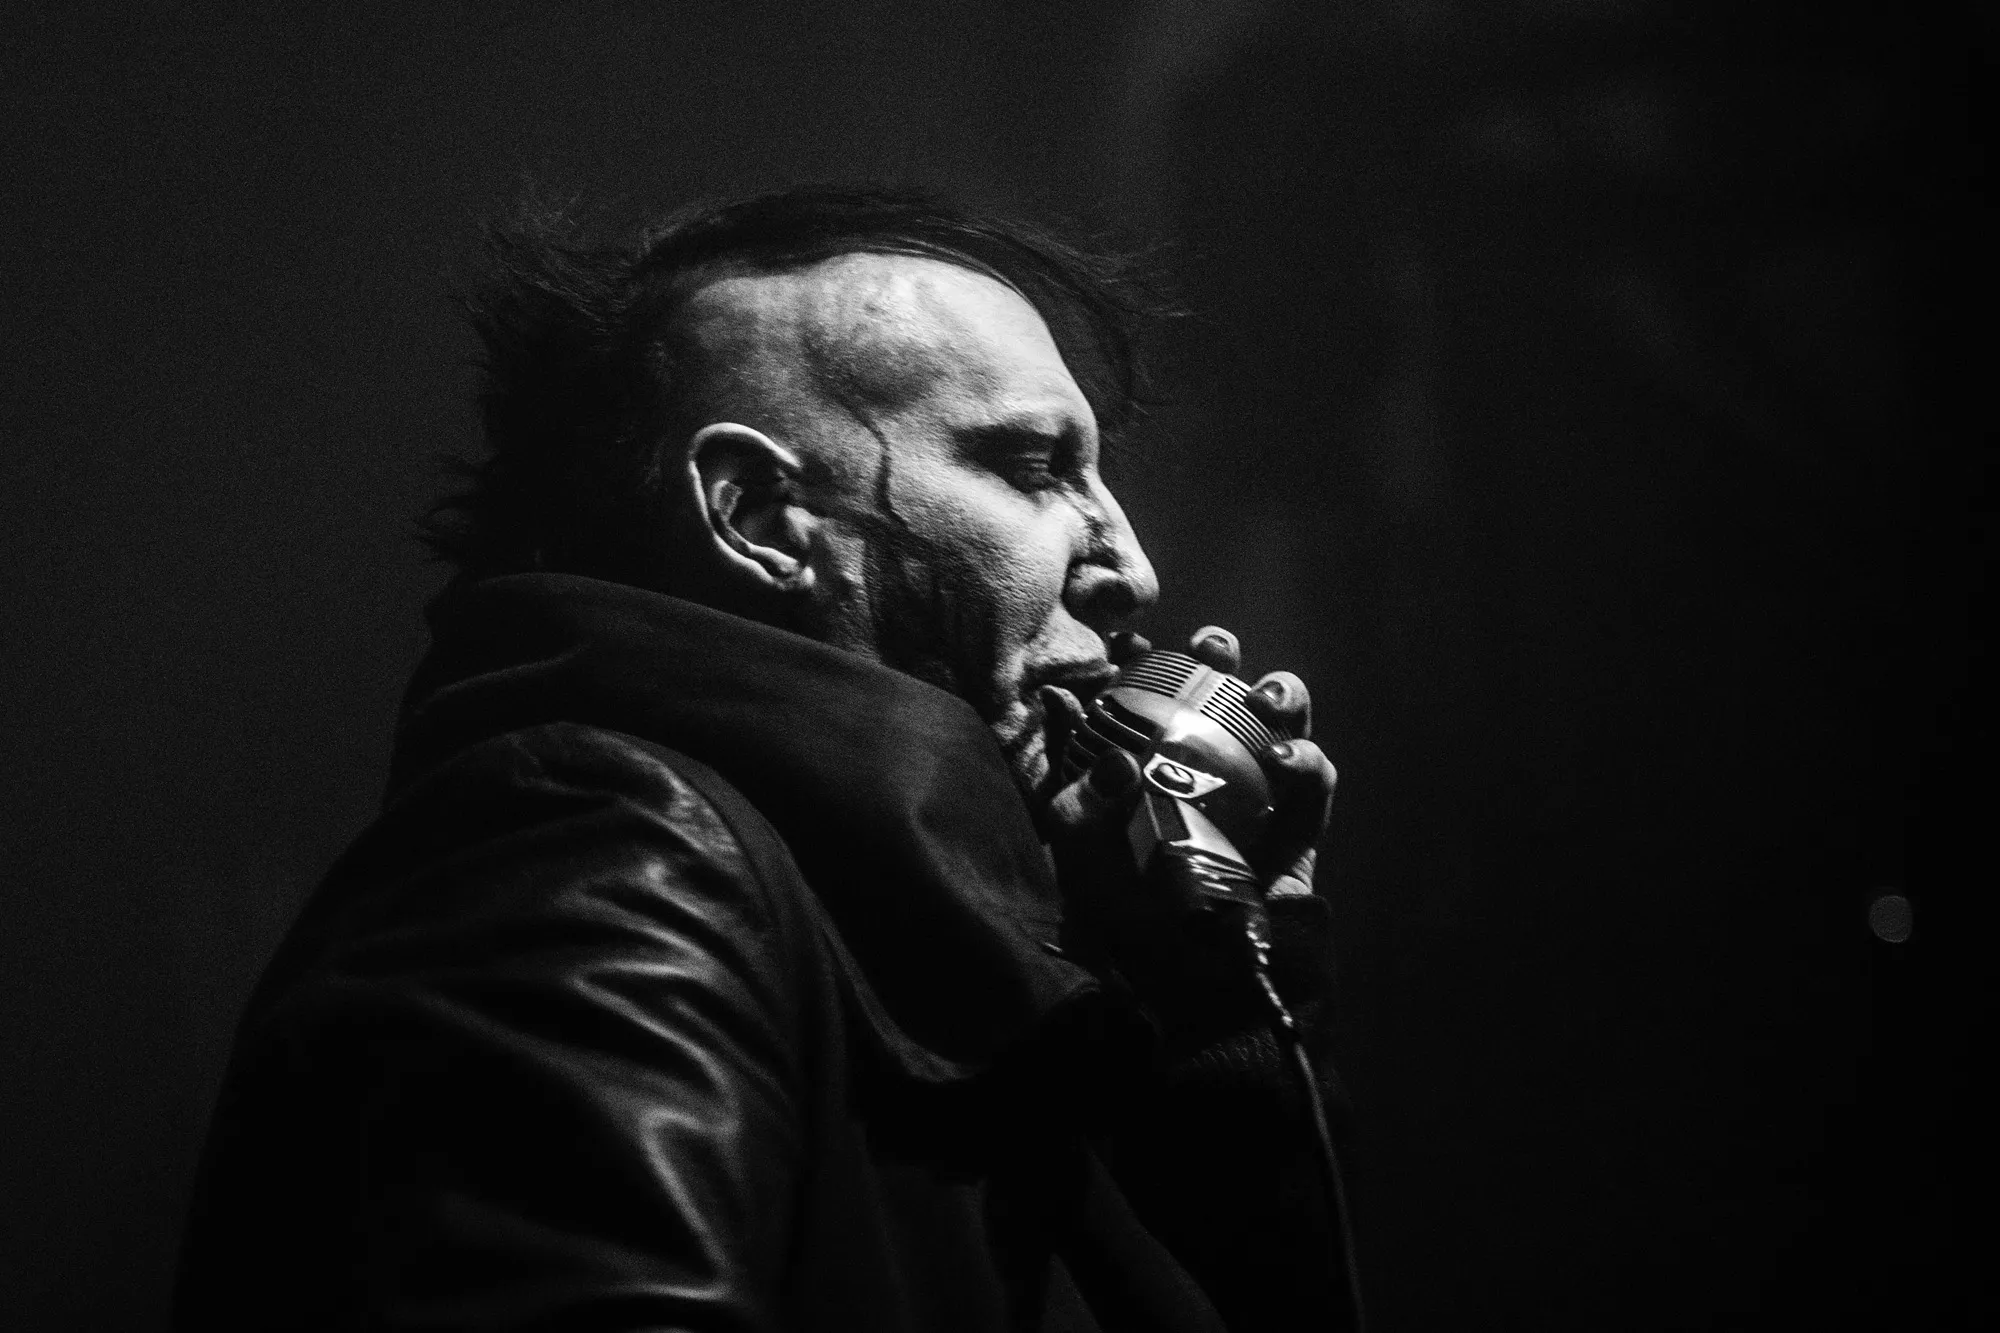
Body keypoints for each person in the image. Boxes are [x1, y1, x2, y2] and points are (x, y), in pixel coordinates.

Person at [173, 186, 1353, 1331]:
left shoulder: (901, 949)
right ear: (755, 516)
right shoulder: (602, 856)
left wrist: (1195, 1009)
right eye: (1034, 469)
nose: (1130, 570)